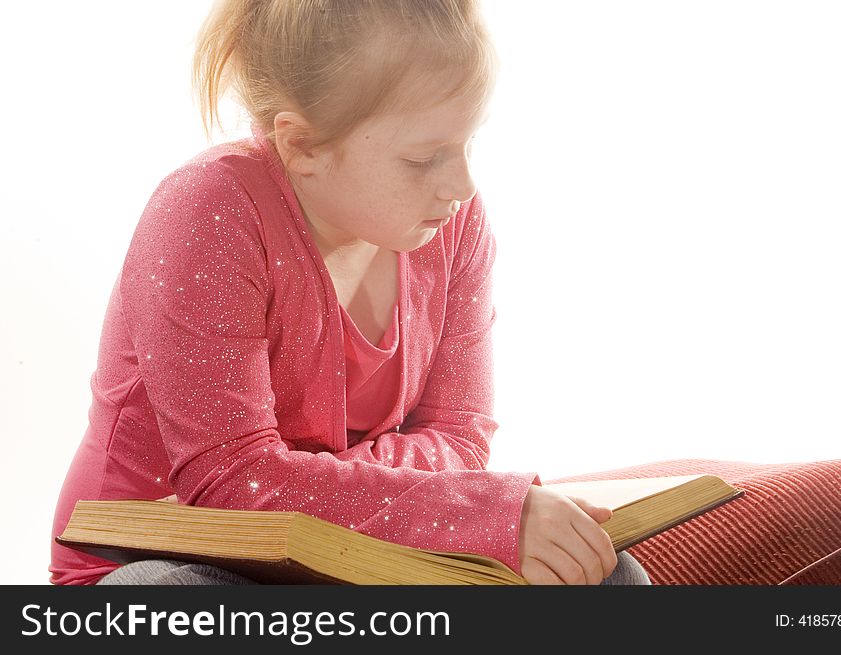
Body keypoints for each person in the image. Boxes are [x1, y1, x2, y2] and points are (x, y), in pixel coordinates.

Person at [50, 0, 650, 586]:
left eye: (468, 143)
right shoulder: (207, 212)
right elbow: (234, 486)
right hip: (175, 559)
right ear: (302, 145)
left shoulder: (453, 221)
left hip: (358, 547)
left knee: (608, 573)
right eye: (423, 158)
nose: (462, 184)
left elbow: (463, 435)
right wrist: (465, 509)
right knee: (169, 596)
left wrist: (359, 493)